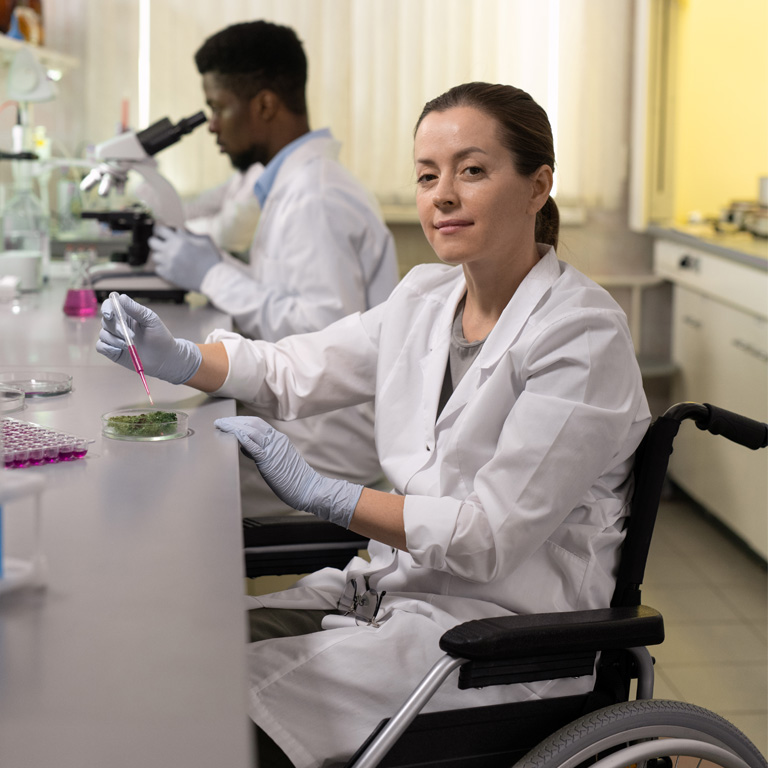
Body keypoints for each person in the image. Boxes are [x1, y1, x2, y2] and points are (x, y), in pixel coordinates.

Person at [97, 82, 651, 768]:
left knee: (208, 708)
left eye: (472, 170)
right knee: (173, 654)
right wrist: (178, 358)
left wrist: (327, 495)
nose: (442, 196)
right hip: (388, 595)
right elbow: (294, 369)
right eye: (427, 176)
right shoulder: (425, 297)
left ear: (538, 186)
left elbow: (486, 536)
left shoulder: (581, 335)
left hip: (498, 644)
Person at [148, 21, 399, 517]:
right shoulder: (297, 185)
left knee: (168, 487)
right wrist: (217, 264)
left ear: (264, 105)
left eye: (219, 107)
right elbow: (289, 300)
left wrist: (212, 274)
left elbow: (321, 337)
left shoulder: (315, 197)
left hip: (325, 449)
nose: (212, 125)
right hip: (301, 422)